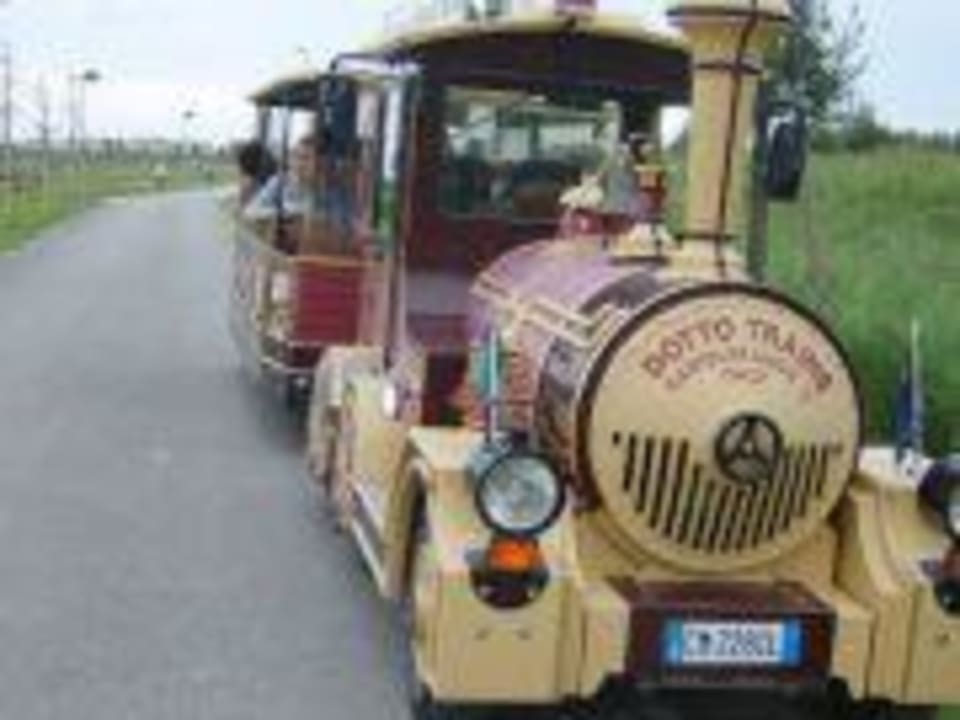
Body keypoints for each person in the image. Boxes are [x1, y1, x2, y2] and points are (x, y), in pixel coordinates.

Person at [242, 134, 317, 222]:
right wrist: (284, 213)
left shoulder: (325, 188)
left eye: (306, 158)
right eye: (295, 156)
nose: (299, 164)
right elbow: (250, 212)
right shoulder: (279, 182)